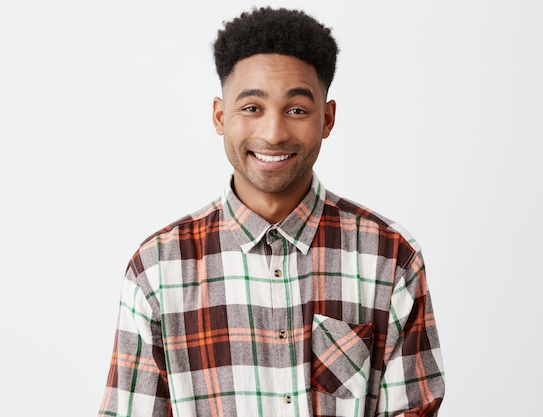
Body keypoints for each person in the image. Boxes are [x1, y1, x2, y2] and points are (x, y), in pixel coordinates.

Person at [99, 6, 444, 417]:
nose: (274, 133)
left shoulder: (390, 259)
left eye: (296, 110)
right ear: (220, 116)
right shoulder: (157, 270)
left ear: (327, 119)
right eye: (252, 108)